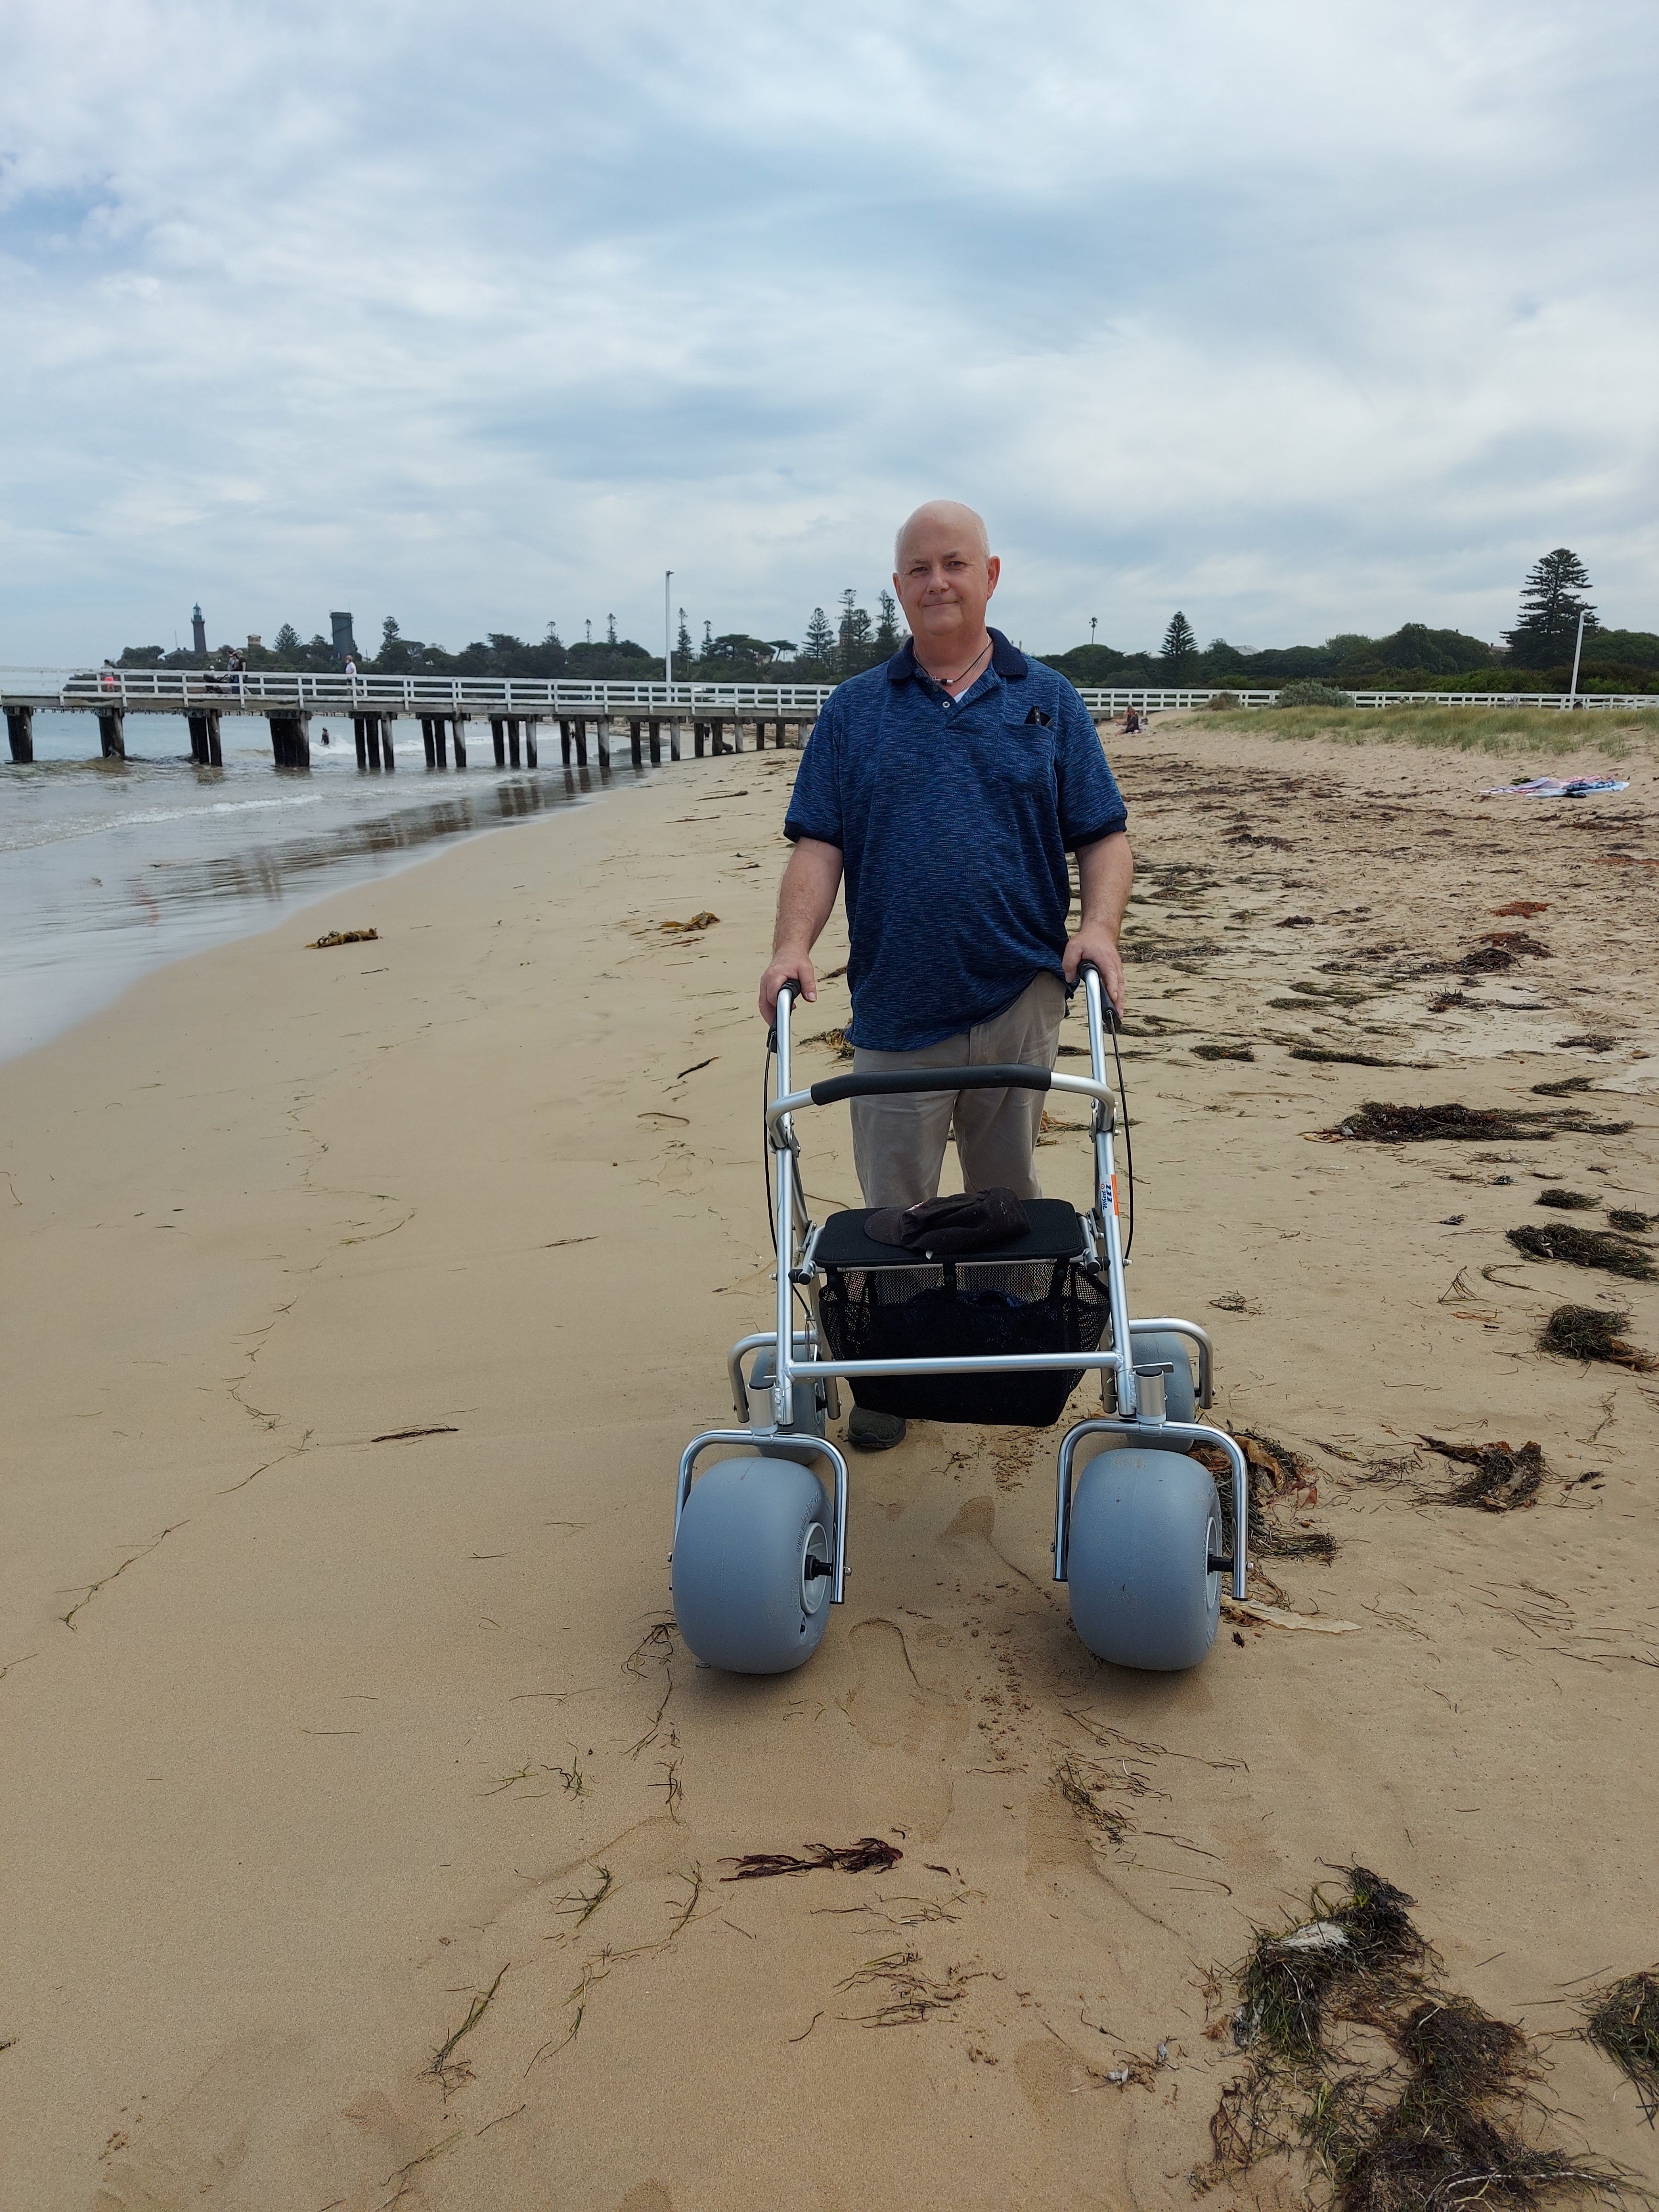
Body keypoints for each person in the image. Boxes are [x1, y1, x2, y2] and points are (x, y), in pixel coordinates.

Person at [758, 500, 1133, 1448]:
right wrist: (792, 946)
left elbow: (1103, 835)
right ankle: (892, 1372)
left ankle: (1008, 1349)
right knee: (893, 1211)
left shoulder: (1047, 698)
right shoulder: (855, 710)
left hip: (1019, 997)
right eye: (918, 568)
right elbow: (818, 846)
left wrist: (1099, 930)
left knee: (1007, 1197)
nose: (937, 582)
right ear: (899, 587)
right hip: (892, 1005)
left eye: (954, 563)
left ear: (991, 574)